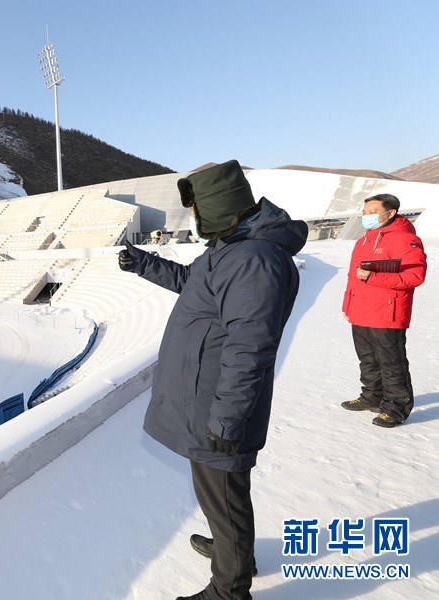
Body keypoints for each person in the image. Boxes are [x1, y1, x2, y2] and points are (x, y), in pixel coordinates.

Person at [119, 160, 307, 600]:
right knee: (221, 498)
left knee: (225, 497)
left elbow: (249, 350)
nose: (193, 218)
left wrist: (226, 421)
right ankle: (233, 550)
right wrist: (145, 264)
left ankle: (229, 589)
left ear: (219, 207)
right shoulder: (231, 247)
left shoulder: (254, 259)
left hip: (219, 408)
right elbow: (194, 284)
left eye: (197, 209)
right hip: (203, 398)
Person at [340, 193, 428, 427]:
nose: (366, 216)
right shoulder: (364, 240)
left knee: (391, 363)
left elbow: (414, 276)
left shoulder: (405, 239)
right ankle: (372, 396)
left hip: (387, 313)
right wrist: (348, 304)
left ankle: (396, 408)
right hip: (360, 311)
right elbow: (354, 279)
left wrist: (375, 278)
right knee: (367, 360)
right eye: (365, 212)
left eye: (372, 211)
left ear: (390, 213)